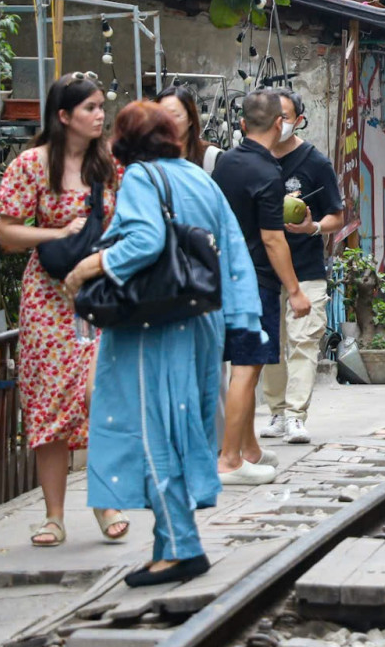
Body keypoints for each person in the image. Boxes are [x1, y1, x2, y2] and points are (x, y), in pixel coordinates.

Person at [61, 102, 264, 587]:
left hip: (155, 325)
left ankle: (183, 547)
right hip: (200, 320)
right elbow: (232, 251)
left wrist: (87, 268)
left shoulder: (140, 179)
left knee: (153, 432)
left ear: (125, 141)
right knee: (182, 427)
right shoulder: (197, 177)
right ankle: (167, 546)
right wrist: (241, 323)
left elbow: (145, 243)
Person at [0, 71, 126, 548]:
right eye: (91, 108)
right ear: (64, 116)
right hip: (48, 298)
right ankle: (53, 515)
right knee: (49, 401)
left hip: (100, 293)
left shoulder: (109, 163)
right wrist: (58, 234)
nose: (100, 115)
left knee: (101, 398)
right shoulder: (31, 165)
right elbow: (8, 234)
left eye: (100, 106)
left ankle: (104, 499)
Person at [211, 89, 309, 486]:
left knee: (238, 366)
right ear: (276, 125)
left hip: (222, 275)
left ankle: (249, 448)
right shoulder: (268, 173)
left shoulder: (224, 164)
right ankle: (230, 460)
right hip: (255, 281)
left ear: (240, 125)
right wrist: (296, 290)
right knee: (247, 370)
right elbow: (273, 239)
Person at [259, 89, 344, 445]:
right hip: (264, 269)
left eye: (286, 115)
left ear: (298, 119)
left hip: (306, 267)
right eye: (273, 115)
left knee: (304, 342)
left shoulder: (315, 162)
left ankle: (296, 416)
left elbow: (337, 217)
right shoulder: (254, 160)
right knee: (271, 346)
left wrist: (312, 227)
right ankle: (277, 412)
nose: (280, 121)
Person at [156, 84, 223, 173]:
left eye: (175, 115)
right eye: (162, 115)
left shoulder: (211, 158)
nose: (168, 122)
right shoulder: (150, 161)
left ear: (190, 119)